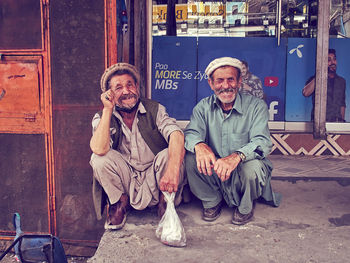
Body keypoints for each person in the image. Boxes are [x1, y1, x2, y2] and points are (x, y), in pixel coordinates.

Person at [184, 57, 281, 225]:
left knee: (254, 168)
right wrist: (200, 145)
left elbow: (262, 142)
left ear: (239, 81)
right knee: (191, 158)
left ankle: (245, 206)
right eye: (220, 81)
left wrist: (237, 156)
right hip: (216, 170)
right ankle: (212, 201)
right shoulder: (202, 107)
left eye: (231, 79)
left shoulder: (256, 106)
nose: (226, 86)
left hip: (242, 168)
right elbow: (192, 133)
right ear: (211, 84)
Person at [90, 63, 186, 230]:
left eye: (130, 84)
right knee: (98, 159)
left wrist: (172, 170)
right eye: (118, 88)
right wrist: (107, 110)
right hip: (127, 180)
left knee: (168, 153)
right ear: (110, 94)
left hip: (156, 179)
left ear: (137, 87)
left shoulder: (154, 109)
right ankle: (120, 204)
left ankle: (165, 205)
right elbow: (99, 149)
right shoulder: (103, 116)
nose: (126, 91)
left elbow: (176, 135)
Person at [302, 48, 346, 122]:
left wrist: (342, 123)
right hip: (319, 123)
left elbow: (342, 104)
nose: (333, 62)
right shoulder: (315, 78)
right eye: (329, 60)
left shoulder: (341, 81)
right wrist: (320, 73)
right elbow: (306, 93)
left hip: (337, 123)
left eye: (334, 59)